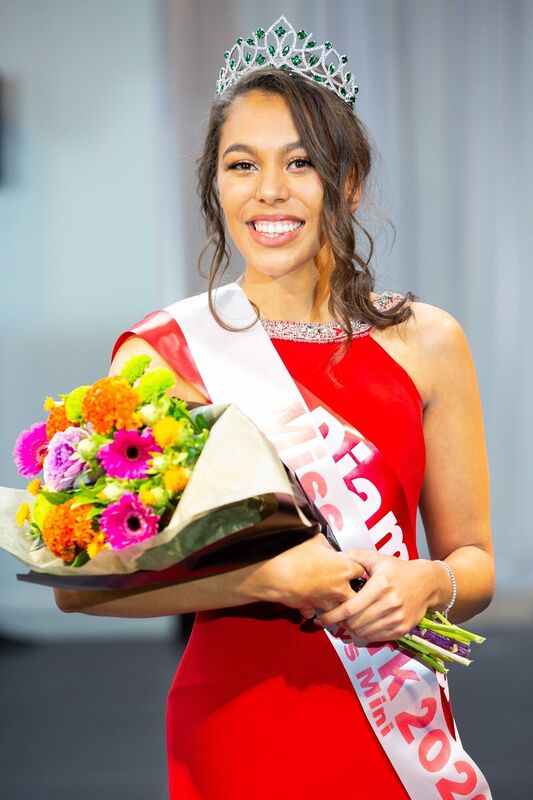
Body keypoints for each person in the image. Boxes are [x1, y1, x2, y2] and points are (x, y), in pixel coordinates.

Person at [54, 16, 495, 799]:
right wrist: (266, 580)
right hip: (236, 722)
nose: (269, 191)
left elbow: (475, 562)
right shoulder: (162, 355)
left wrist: (430, 584)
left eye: (301, 162)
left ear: (348, 179)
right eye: (240, 164)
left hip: (396, 719)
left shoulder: (427, 342)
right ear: (212, 184)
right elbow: (81, 585)